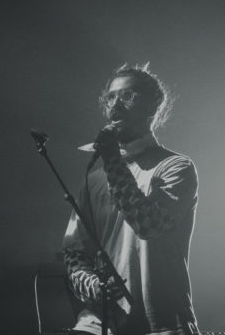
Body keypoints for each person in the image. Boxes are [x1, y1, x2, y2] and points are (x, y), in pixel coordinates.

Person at [62, 63, 200, 335]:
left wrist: (112, 160)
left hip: (162, 323)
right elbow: (75, 252)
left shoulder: (176, 167)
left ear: (152, 106)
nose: (116, 104)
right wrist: (93, 286)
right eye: (110, 97)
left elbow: (148, 225)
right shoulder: (95, 179)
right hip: (101, 323)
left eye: (127, 95)